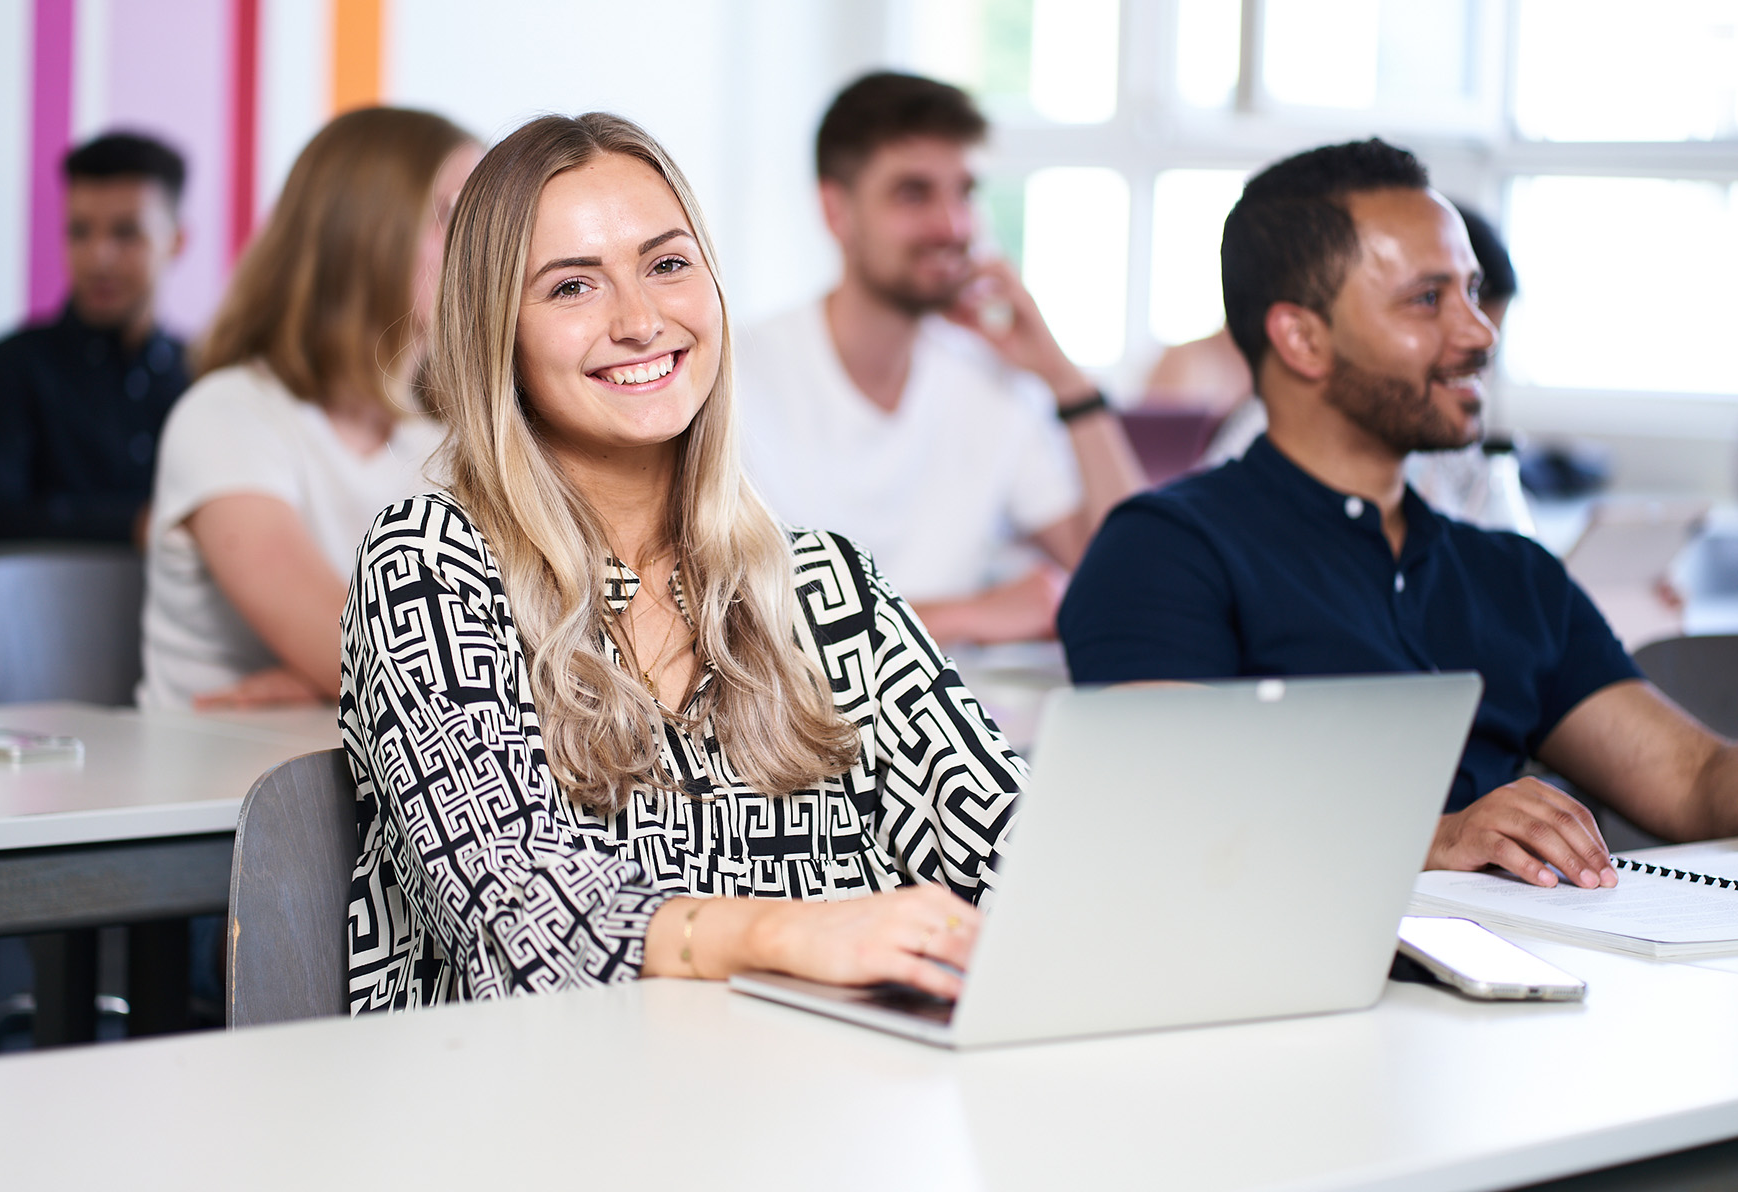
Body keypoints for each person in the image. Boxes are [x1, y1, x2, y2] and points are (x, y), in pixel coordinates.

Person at [340, 112, 1020, 1013]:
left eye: (667, 265)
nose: (640, 320)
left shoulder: (824, 588)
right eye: (573, 287)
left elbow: (1019, 863)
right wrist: (784, 932)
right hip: (535, 1115)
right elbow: (525, 915)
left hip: (825, 1105)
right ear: (495, 331)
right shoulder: (430, 564)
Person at [1059, 138, 1738, 889]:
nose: (1480, 332)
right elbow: (1172, 807)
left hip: (1528, 981)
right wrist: (1436, 837)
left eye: (1474, 294)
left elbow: (1695, 778)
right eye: (1427, 300)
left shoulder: (1510, 574)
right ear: (1303, 339)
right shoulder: (1165, 551)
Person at [739, 72, 1143, 646]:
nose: (954, 226)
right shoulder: (736, 377)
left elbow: (1134, 577)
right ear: (836, 211)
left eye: (965, 193)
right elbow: (722, 626)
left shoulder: (994, 380)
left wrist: (1063, 377)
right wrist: (968, 615)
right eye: (914, 193)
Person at [137, 108, 480, 710]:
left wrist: (319, 689)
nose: (489, 249)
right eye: (457, 216)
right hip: (213, 796)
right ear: (365, 233)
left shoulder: (448, 440)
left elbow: (546, 644)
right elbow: (378, 665)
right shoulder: (224, 416)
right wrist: (347, 677)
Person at [1167, 201, 1531, 533]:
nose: (1482, 341)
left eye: (1473, 297)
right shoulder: (1259, 439)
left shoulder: (1445, 437)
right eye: (1428, 301)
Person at [0, 132, 189, 544]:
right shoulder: (7, 370)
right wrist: (137, 524)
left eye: (126, 233)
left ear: (176, 242)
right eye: (79, 231)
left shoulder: (204, 376)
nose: (99, 257)